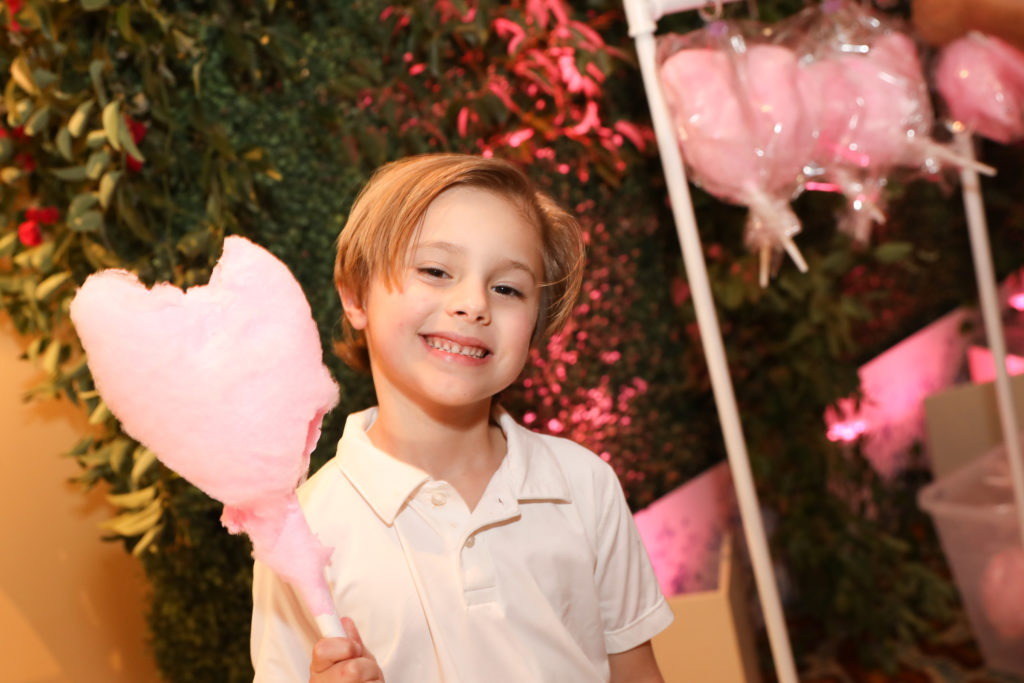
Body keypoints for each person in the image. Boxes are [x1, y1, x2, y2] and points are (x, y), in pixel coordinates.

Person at [250, 154, 673, 682]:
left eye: (507, 288)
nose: (474, 304)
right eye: (435, 271)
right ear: (356, 295)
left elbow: (637, 673)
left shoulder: (583, 485)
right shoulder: (304, 532)